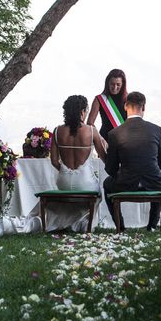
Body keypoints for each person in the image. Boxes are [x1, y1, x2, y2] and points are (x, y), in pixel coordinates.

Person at [103, 91, 161, 231]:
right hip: (153, 181)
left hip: (125, 183)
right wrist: (160, 174)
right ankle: (152, 226)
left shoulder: (115, 133)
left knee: (107, 183)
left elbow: (110, 167)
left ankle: (120, 226)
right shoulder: (156, 130)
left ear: (125, 106)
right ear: (143, 107)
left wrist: (119, 175)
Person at [43, 95, 107, 232]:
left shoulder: (57, 131)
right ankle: (84, 223)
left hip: (63, 182)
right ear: (83, 112)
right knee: (98, 193)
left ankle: (70, 222)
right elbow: (104, 157)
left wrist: (65, 170)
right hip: (85, 183)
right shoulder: (91, 131)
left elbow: (54, 161)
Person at [87, 69, 128, 141]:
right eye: (112, 84)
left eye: (118, 84)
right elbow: (90, 123)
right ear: (107, 83)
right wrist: (99, 139)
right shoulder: (99, 99)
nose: (115, 87)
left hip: (124, 141)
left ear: (123, 84)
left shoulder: (129, 99)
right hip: (105, 140)